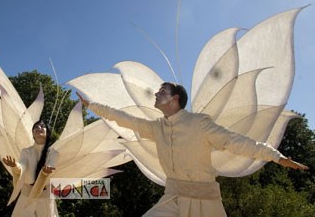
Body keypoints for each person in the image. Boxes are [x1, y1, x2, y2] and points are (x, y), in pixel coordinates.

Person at [76, 82, 308, 217]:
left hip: (206, 203)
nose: (156, 94)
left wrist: (276, 157)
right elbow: (125, 119)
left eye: (161, 92)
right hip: (174, 197)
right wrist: (93, 105)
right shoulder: (157, 127)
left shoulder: (199, 123)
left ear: (175, 98)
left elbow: (236, 142)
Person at [2, 119, 59, 217]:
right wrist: (15, 166)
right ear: (33, 134)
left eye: (42, 126)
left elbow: (51, 166)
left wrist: (45, 172)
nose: (39, 128)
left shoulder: (53, 152)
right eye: (36, 127)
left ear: (48, 133)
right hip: (26, 196)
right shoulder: (26, 151)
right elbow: (22, 166)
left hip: (45, 198)